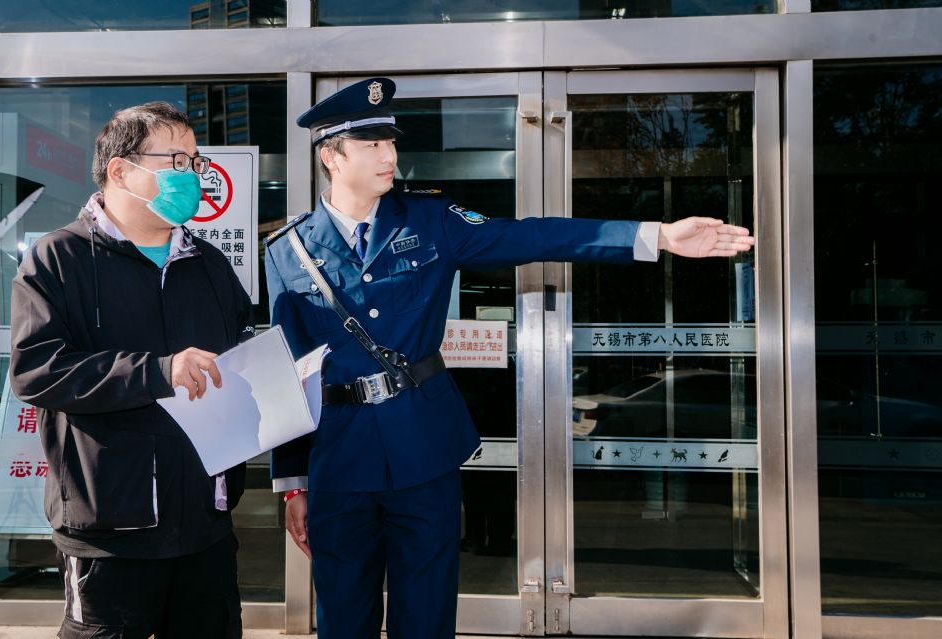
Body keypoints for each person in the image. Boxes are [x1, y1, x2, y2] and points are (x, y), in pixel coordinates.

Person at [264, 78, 755, 639]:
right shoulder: (288, 251)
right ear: (331, 156)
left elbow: (533, 237)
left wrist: (657, 235)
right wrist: (294, 484)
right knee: (342, 616)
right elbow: (288, 374)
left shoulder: (430, 220)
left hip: (423, 450)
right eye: (372, 145)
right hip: (337, 458)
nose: (390, 156)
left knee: (425, 615)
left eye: (391, 143)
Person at [10, 102, 253, 639]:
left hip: (205, 526)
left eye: (195, 161)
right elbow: (37, 369)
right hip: (110, 530)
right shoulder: (59, 259)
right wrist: (157, 372)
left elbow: (238, 355)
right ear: (120, 170)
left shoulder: (209, 264)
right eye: (177, 160)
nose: (192, 175)